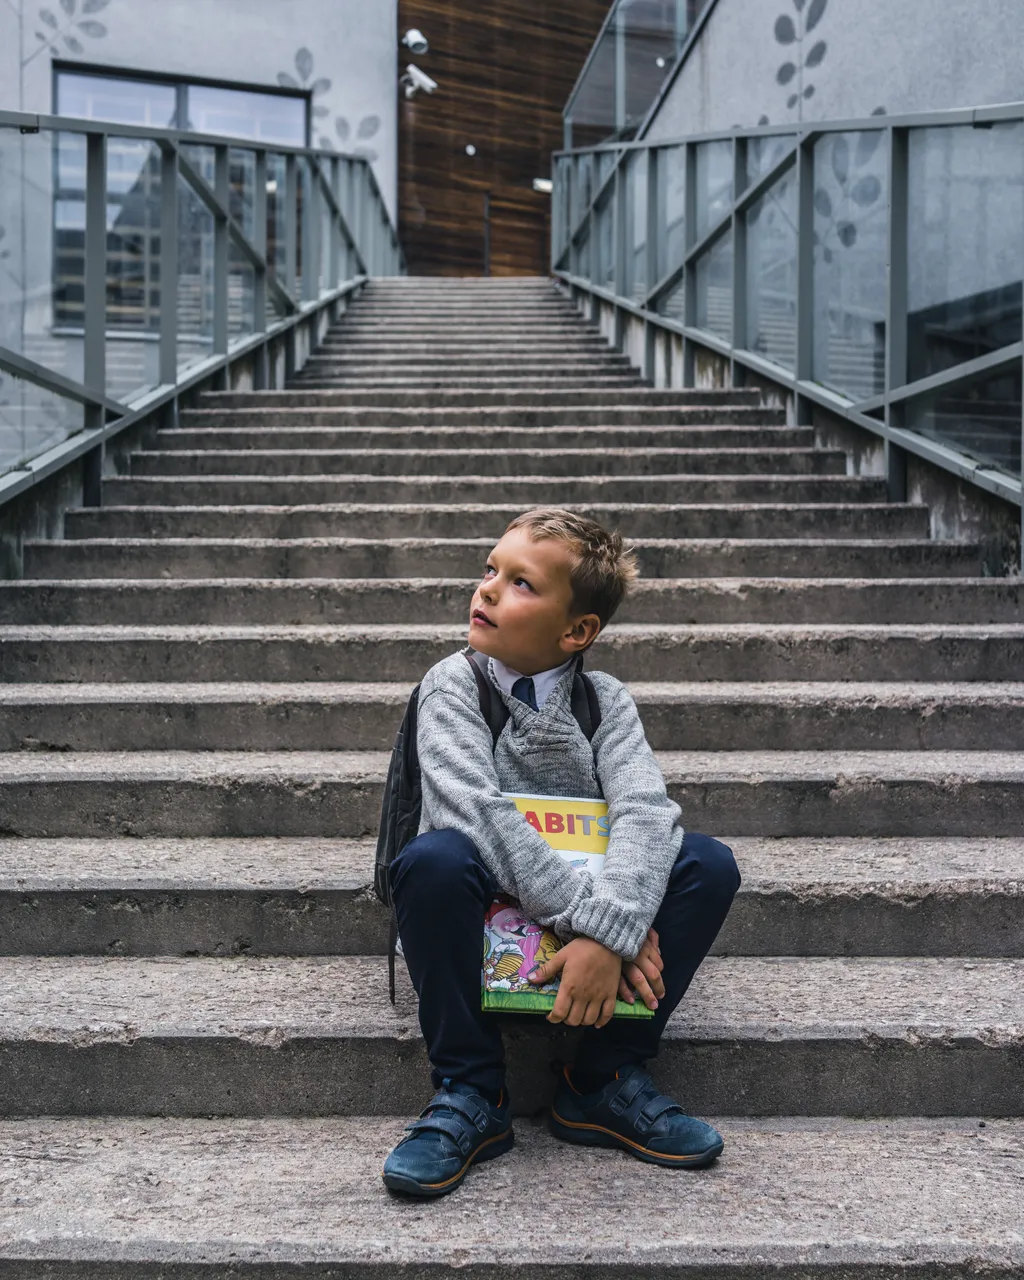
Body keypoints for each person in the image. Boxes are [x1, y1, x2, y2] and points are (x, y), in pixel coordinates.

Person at [383, 507, 740, 1198]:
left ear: (576, 631)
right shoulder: (453, 684)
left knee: (707, 862)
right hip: (481, 912)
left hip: (591, 919)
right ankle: (471, 1091)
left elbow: (644, 811)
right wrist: (602, 930)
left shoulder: (604, 701)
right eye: (490, 570)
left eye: (520, 583)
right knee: (432, 861)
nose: (486, 589)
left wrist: (610, 931)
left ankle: (601, 1077)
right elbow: (475, 815)